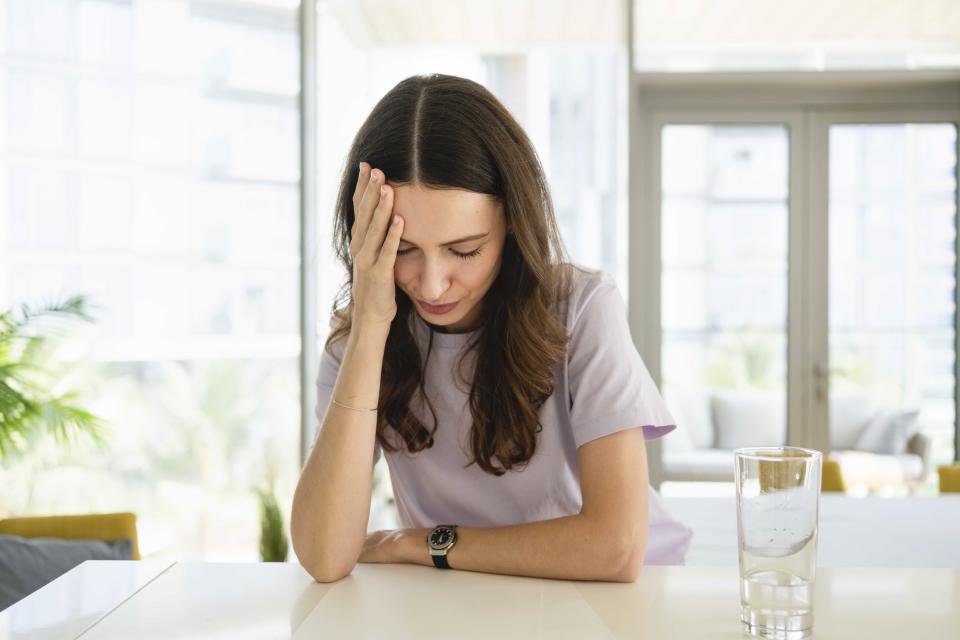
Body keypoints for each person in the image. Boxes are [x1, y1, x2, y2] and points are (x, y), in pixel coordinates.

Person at [291, 73, 692, 584]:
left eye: (465, 250)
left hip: (618, 604)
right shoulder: (360, 340)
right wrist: (370, 324)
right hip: (466, 600)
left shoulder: (582, 308)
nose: (433, 285)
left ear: (511, 224)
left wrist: (423, 541)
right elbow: (324, 555)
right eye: (404, 251)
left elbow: (615, 548)